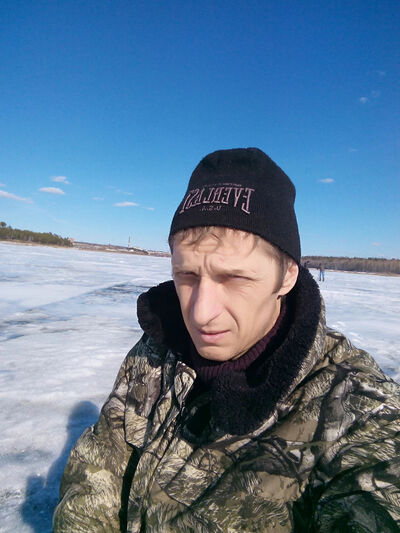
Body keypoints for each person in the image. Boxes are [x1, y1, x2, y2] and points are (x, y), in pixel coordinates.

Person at [53, 148, 400, 532]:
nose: (201, 313)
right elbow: (99, 468)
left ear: (287, 275)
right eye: (186, 276)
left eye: (234, 278)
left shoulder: (355, 408)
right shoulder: (156, 351)